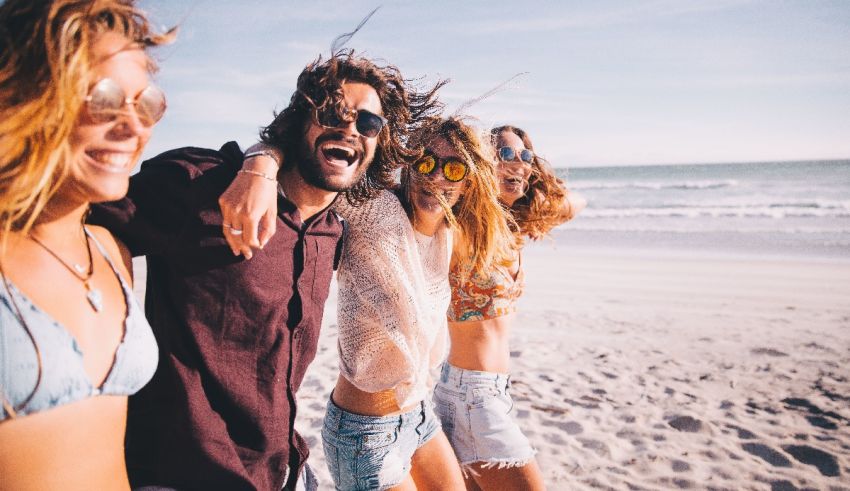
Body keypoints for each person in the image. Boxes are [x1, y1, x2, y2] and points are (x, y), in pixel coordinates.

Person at [89, 51, 442, 490]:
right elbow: (72, 217)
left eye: (368, 124)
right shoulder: (203, 187)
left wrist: (265, 158)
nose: (351, 129)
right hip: (187, 472)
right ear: (299, 121)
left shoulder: (332, 231)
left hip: (284, 470)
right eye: (333, 113)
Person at [0, 1, 172, 489]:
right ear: (27, 93)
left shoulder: (111, 250)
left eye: (147, 103)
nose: (134, 127)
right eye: (104, 98)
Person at [434, 125, 586, 490]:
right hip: (472, 395)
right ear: (482, 164)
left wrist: (535, 196)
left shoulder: (509, 228)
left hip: (490, 390)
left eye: (525, 156)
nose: (517, 163)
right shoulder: (462, 228)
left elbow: (577, 202)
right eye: (504, 154)